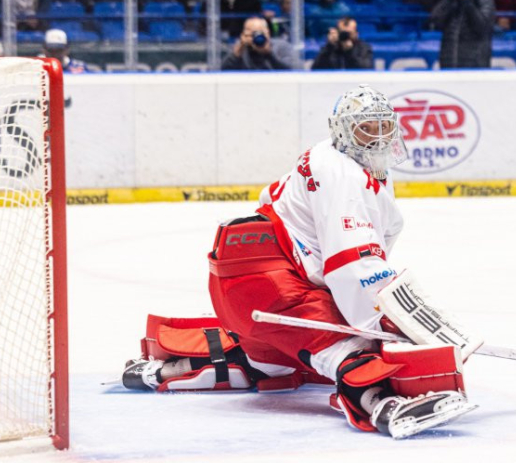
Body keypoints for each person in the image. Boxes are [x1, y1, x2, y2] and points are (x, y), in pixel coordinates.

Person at [121, 85, 477, 439]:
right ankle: (382, 404)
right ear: (342, 130)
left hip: (249, 284)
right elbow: (353, 267)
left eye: (384, 125)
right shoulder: (345, 174)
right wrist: (393, 321)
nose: (378, 136)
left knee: (270, 364)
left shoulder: (332, 156)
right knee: (355, 351)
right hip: (272, 285)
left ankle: (166, 370)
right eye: (366, 127)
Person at [431, 0, 495, 69]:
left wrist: (468, 1)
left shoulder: (484, 0)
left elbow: (482, 28)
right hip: (449, 63)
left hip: (476, 64)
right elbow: (436, 22)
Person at [221, 16, 293, 71]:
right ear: (244, 34)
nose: (257, 37)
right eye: (253, 33)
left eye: (260, 32)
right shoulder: (239, 48)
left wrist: (269, 54)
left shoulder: (281, 46)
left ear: (267, 32)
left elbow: (294, 69)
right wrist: (235, 55)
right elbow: (222, 71)